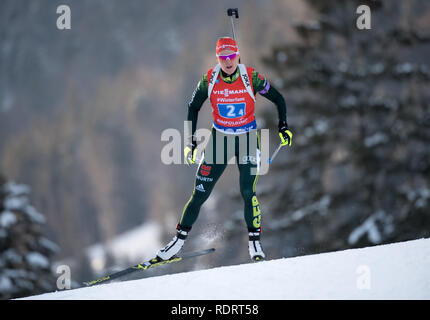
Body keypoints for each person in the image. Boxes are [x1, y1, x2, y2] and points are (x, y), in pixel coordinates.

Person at [156, 37, 292, 262]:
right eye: (222, 57)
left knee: (248, 192)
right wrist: (191, 142)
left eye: (231, 56)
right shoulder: (209, 79)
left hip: (247, 138)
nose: (227, 61)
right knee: (200, 193)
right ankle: (177, 243)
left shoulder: (251, 77)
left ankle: (255, 245)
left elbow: (278, 98)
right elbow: (193, 107)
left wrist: (283, 126)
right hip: (220, 140)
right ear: (218, 59)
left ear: (237, 55)